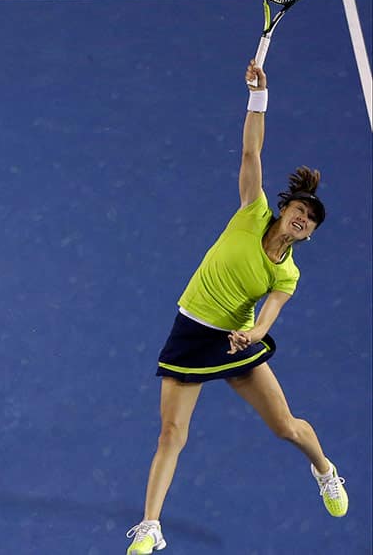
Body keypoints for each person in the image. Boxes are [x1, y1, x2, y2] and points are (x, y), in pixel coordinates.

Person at [125, 61, 349, 554]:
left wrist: (251, 335)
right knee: (171, 433)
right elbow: (252, 149)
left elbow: (269, 314)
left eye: (311, 221)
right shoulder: (252, 212)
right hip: (190, 330)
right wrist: (258, 97)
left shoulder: (286, 272)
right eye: (300, 210)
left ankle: (325, 470)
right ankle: (150, 526)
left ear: (308, 233)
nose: (302, 219)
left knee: (286, 428)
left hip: (234, 343)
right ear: (287, 207)